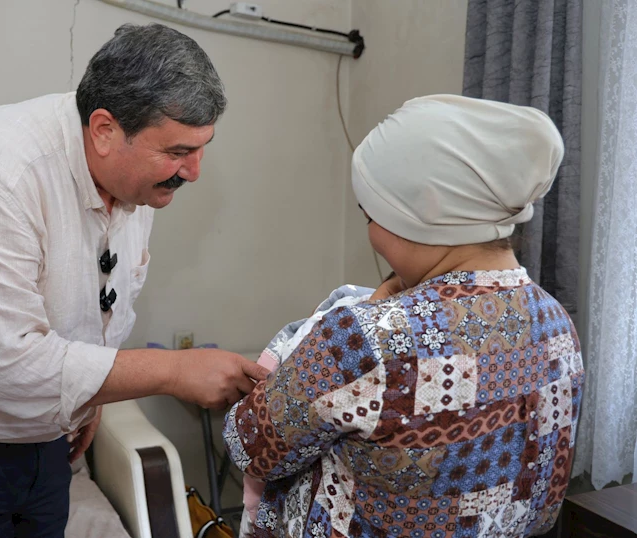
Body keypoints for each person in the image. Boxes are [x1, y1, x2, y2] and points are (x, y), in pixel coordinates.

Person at [0, 23, 268, 537]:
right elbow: (2, 363)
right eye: (177, 152)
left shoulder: (134, 180)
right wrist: (173, 371)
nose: (193, 171)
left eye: (202, 148)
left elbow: (105, 303)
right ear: (104, 130)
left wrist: (89, 400)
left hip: (47, 440)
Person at [224, 94, 584, 538]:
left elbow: (248, 444)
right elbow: (542, 499)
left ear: (422, 210)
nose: (371, 234)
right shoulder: (556, 324)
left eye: (370, 215)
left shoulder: (364, 337)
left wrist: (364, 318)